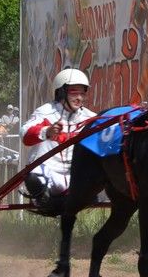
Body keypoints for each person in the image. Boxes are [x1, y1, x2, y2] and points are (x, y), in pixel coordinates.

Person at [20, 67, 96, 213]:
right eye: (74, 92)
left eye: (82, 93)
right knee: (31, 176)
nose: (79, 98)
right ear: (61, 92)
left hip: (75, 174)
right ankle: (44, 201)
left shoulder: (90, 117)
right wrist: (47, 131)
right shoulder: (45, 112)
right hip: (47, 173)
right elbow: (25, 135)